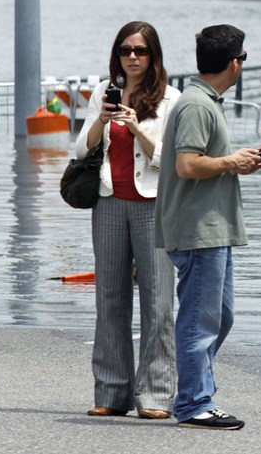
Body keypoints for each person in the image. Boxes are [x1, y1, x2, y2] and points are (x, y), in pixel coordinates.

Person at [155, 24, 261, 431]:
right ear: (234, 63)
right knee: (199, 321)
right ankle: (194, 403)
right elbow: (188, 164)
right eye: (243, 58)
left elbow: (202, 163)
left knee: (219, 317)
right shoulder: (197, 105)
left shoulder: (206, 101)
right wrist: (232, 162)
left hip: (214, 230)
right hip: (199, 231)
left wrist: (238, 164)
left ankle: (197, 392)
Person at [77, 21, 182, 420]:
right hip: (108, 201)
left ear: (153, 55)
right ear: (117, 54)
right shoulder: (105, 92)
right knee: (109, 298)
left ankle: (155, 396)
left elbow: (170, 160)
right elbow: (80, 147)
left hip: (153, 204)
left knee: (157, 300)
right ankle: (112, 391)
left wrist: (136, 128)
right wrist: (102, 121)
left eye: (140, 50)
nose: (133, 58)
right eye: (126, 50)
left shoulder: (171, 99)